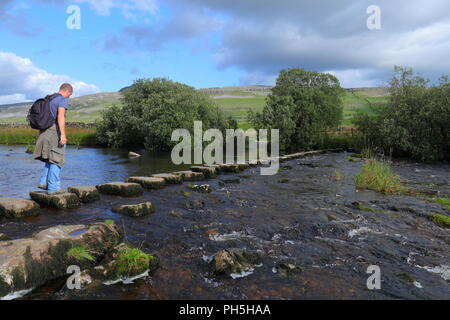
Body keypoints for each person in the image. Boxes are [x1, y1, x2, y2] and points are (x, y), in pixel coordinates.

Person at [33, 83, 73, 195]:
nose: (68, 97)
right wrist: (63, 135)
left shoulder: (49, 98)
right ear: (68, 91)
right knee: (57, 160)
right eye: (69, 95)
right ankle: (53, 188)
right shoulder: (62, 99)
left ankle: (44, 183)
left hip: (43, 133)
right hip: (54, 133)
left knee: (50, 159)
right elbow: (60, 117)